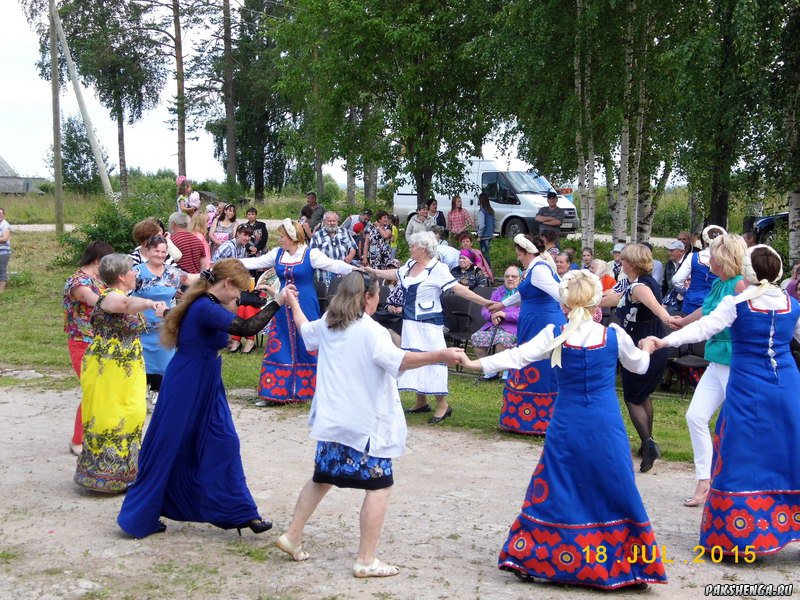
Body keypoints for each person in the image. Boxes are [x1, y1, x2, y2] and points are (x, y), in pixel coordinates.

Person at [460, 270, 667, 590]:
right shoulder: (613, 334)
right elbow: (639, 366)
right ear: (597, 302)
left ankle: (536, 557)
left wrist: (477, 364)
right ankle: (631, 564)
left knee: (556, 484)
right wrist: (648, 348)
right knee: (616, 484)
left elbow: (517, 356)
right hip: (604, 423)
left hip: (567, 423)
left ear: (565, 305)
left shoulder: (555, 334)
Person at [275, 272, 465, 577]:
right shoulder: (371, 331)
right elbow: (400, 360)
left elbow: (304, 330)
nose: (380, 300)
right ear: (367, 297)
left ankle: (292, 535)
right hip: (364, 426)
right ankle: (366, 560)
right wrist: (440, 354)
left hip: (333, 421)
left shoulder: (329, 322)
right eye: (378, 295)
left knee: (322, 478)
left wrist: (292, 302)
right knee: (379, 486)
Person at [642, 245, 800, 556]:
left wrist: (664, 340)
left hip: (749, 389)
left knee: (740, 452)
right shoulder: (791, 303)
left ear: (748, 270)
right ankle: (787, 524)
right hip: (787, 387)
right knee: (788, 451)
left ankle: (742, 534)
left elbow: (704, 327)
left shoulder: (738, 303)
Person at [117, 260, 285, 538]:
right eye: (236, 291)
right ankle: (138, 517)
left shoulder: (203, 304)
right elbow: (246, 328)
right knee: (168, 444)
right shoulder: (205, 307)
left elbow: (180, 314)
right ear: (226, 283)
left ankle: (242, 512)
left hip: (207, 379)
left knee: (224, 441)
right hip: (187, 380)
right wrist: (278, 302)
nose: (236, 297)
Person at [364, 232, 493, 423]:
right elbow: (394, 274)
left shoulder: (438, 268)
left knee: (435, 360)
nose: (410, 248)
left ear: (423, 248)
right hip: (409, 320)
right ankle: (421, 400)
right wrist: (373, 271)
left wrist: (485, 302)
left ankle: (443, 404)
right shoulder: (409, 265)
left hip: (429, 322)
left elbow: (459, 289)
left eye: (412, 246)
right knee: (413, 358)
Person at [75, 254, 167, 493]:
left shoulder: (125, 296)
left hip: (128, 368)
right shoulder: (108, 297)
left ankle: (126, 473)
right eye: (132, 271)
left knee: (133, 414)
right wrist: (149, 303)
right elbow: (124, 306)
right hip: (108, 369)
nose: (137, 273)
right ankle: (101, 476)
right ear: (121, 276)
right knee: (110, 417)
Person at [667, 234, 747, 507]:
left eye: (711, 254)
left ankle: (738, 487)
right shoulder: (719, 283)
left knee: (737, 426)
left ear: (723, 257)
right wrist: (682, 322)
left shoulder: (739, 286)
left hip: (735, 363)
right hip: (717, 360)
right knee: (695, 416)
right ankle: (704, 479)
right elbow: (706, 311)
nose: (706, 258)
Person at [239, 219, 355, 406]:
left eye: (282, 236)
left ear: (293, 237)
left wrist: (358, 270)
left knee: (307, 342)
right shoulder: (277, 254)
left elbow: (334, 265)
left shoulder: (311, 254)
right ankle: (275, 393)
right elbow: (254, 262)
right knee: (280, 341)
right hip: (282, 304)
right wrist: (228, 263)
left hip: (305, 303)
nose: (279, 240)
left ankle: (312, 391)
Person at [600, 244, 673, 472]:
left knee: (632, 397)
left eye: (623, 260)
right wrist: (582, 301)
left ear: (630, 263)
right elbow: (614, 299)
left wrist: (670, 319)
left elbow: (655, 306)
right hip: (648, 343)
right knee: (642, 395)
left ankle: (648, 443)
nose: (620, 262)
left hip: (643, 345)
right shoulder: (636, 284)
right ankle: (646, 443)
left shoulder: (640, 286)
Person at [487, 234, 565, 435]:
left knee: (538, 366)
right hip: (536, 323)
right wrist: (502, 304)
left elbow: (558, 293)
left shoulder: (539, 270)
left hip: (543, 324)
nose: (518, 258)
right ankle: (529, 418)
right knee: (532, 363)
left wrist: (573, 305)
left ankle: (537, 421)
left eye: (519, 254)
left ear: (527, 253)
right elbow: (525, 292)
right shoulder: (536, 268)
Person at [63, 241, 115, 455]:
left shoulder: (99, 279)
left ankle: (97, 433)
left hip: (102, 341)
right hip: (82, 343)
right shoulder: (77, 281)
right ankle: (78, 439)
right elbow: (93, 299)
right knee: (93, 390)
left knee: (103, 390)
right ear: (97, 260)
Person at [132, 235, 196, 405]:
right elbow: (124, 294)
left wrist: (213, 273)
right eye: (156, 251)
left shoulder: (173, 272)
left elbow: (193, 279)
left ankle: (161, 394)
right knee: (141, 364)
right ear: (147, 251)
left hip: (165, 327)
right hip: (141, 328)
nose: (160, 255)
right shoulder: (136, 272)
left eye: (163, 251)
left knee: (166, 364)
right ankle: (141, 394)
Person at [470, 266, 521, 380]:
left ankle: (506, 372)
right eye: (507, 276)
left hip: (513, 328)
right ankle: (491, 370)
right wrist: (492, 315)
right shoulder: (498, 292)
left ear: (520, 279)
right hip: (493, 326)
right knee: (477, 338)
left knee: (501, 341)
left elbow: (524, 314)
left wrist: (504, 315)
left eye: (514, 276)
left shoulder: (523, 294)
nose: (510, 279)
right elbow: (486, 309)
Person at [672, 225, 726, 315]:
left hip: (692, 304)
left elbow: (676, 280)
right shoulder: (727, 259)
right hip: (715, 304)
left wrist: (685, 293)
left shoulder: (693, 257)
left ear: (704, 240)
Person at [309, 211, 357, 286]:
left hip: (343, 273)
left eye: (334, 221)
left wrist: (350, 256)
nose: (332, 223)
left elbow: (353, 247)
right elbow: (312, 257)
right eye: (329, 221)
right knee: (328, 296)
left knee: (344, 295)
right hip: (325, 275)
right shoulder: (317, 236)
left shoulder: (344, 232)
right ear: (324, 222)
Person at [662, 239, 687, 312]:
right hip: (669, 298)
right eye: (669, 250)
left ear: (681, 252)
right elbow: (665, 284)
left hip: (683, 299)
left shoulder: (688, 262)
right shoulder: (669, 264)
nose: (668, 253)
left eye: (671, 250)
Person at [476, 192, 495, 267]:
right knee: (487, 253)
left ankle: (487, 268)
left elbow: (481, 225)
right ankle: (488, 268)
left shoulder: (482, 211)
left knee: (484, 254)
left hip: (484, 236)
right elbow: (494, 223)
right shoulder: (491, 210)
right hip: (490, 235)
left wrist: (479, 236)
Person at [0, 207, 10, 293]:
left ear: (3, 215)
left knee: (2, 271)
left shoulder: (5, 225)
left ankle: (2, 291)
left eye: (0, 213)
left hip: (3, 252)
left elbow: (5, 239)